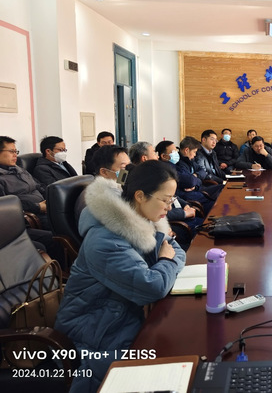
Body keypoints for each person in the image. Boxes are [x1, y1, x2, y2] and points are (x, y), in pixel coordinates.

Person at [55, 160, 186, 391]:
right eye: (165, 200)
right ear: (140, 196)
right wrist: (166, 261)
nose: (169, 207)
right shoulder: (104, 241)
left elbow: (177, 250)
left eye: (171, 200)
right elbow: (153, 286)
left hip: (123, 317)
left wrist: (166, 260)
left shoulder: (143, 220)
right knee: (175, 360)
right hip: (95, 334)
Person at [0, 136, 65, 265]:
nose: (15, 155)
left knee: (71, 221)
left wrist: (50, 199)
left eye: (16, 151)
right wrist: (37, 207)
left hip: (45, 208)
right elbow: (7, 207)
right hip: (30, 215)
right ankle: (60, 271)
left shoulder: (19, 169)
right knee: (58, 233)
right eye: (11, 151)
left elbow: (39, 186)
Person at [155, 140, 203, 251]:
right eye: (173, 152)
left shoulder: (174, 165)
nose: (156, 156)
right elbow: (190, 181)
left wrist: (185, 204)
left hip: (181, 208)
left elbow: (173, 195)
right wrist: (184, 213)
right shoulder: (163, 171)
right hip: (174, 221)